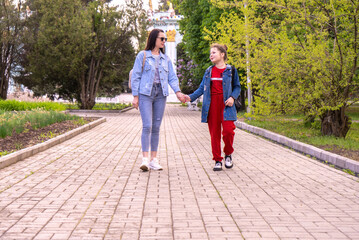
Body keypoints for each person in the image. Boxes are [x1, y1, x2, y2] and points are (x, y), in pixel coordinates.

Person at [131, 28, 185, 171]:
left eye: (165, 39)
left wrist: (178, 93)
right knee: (147, 125)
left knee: (156, 127)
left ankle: (154, 160)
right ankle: (144, 159)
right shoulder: (142, 56)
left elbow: (172, 78)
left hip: (161, 93)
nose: (164, 41)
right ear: (154, 39)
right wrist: (135, 96)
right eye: (162, 38)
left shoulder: (165, 59)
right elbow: (136, 76)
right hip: (145, 94)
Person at [184, 43, 241, 171]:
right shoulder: (209, 71)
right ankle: (217, 160)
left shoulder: (231, 70)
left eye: (214, 52)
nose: (211, 55)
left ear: (222, 54)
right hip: (211, 105)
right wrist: (190, 97)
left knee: (228, 132)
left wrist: (232, 97)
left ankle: (228, 154)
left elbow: (237, 86)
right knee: (214, 134)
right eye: (211, 53)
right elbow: (201, 88)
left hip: (226, 105)